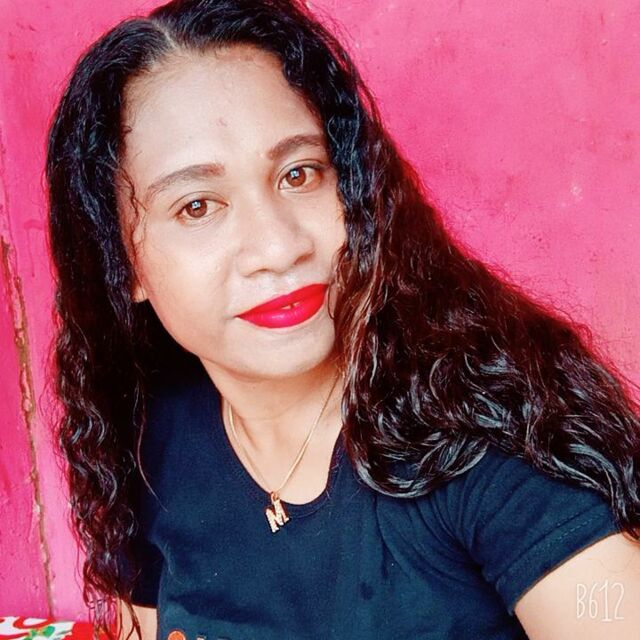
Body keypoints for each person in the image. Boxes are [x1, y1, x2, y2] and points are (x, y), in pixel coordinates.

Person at [45, 0, 640, 639]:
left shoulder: (492, 441)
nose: (278, 247)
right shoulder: (153, 438)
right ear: (123, 263)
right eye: (197, 206)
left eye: (299, 173)